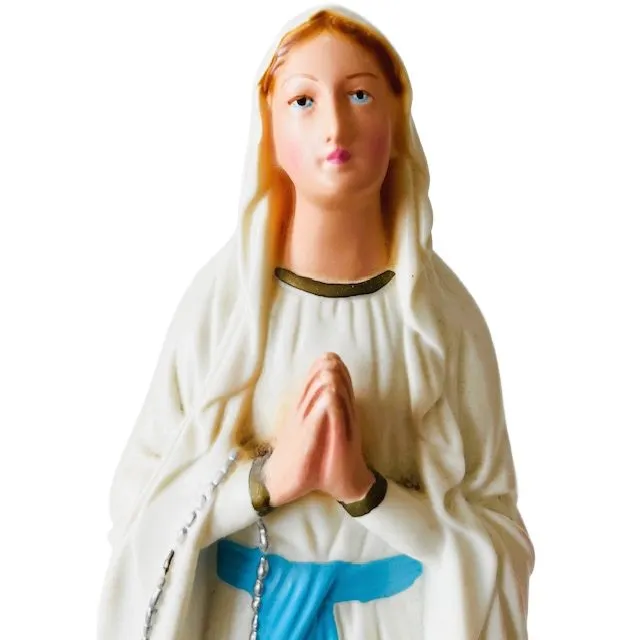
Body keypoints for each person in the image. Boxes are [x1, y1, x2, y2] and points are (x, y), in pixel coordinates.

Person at [97, 5, 535, 639]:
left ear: (397, 118)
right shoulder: (224, 309)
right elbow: (140, 509)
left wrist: (364, 491)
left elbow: (496, 536)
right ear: (270, 129)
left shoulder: (441, 321)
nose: (335, 125)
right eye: (303, 101)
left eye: (360, 95)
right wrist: (269, 482)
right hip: (246, 619)